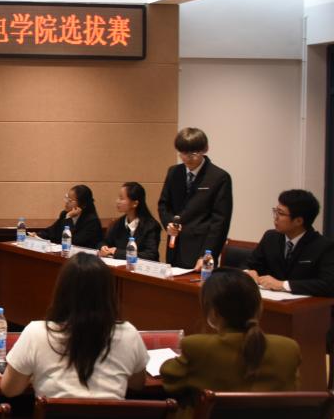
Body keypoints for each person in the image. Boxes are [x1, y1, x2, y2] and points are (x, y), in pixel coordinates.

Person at [0, 253, 149, 419]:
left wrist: (36, 374)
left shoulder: (36, 333)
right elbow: (138, 383)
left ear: (61, 291)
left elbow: (9, 389)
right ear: (109, 293)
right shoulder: (129, 334)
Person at [160, 268, 300, 419]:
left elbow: (170, 380)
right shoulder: (288, 349)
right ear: (259, 307)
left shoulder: (199, 348)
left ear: (213, 313)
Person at [158, 127, 233, 270]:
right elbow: (163, 204)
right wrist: (168, 223)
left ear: (205, 149)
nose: (187, 158)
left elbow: (220, 222)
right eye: (183, 153)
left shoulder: (219, 177)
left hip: (201, 250)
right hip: (174, 246)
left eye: (193, 153)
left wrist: (207, 254)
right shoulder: (174, 172)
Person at [245, 189, 334, 296]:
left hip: (303, 304)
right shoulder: (270, 237)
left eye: (281, 213)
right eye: (275, 211)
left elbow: (328, 284)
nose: (276, 217)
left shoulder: (324, 246)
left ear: (298, 221)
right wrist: (249, 272)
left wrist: (283, 285)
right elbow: (250, 264)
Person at [99, 182, 162, 261]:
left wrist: (117, 252)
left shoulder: (151, 226)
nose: (117, 201)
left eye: (121, 198)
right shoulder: (118, 223)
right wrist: (103, 247)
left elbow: (150, 255)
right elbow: (104, 242)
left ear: (135, 203)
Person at [38, 184, 102, 248]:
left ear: (83, 205)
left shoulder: (92, 222)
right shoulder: (64, 214)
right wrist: (37, 235)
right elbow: (52, 231)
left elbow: (72, 241)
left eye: (70, 200)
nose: (66, 202)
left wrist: (68, 217)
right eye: (66, 198)